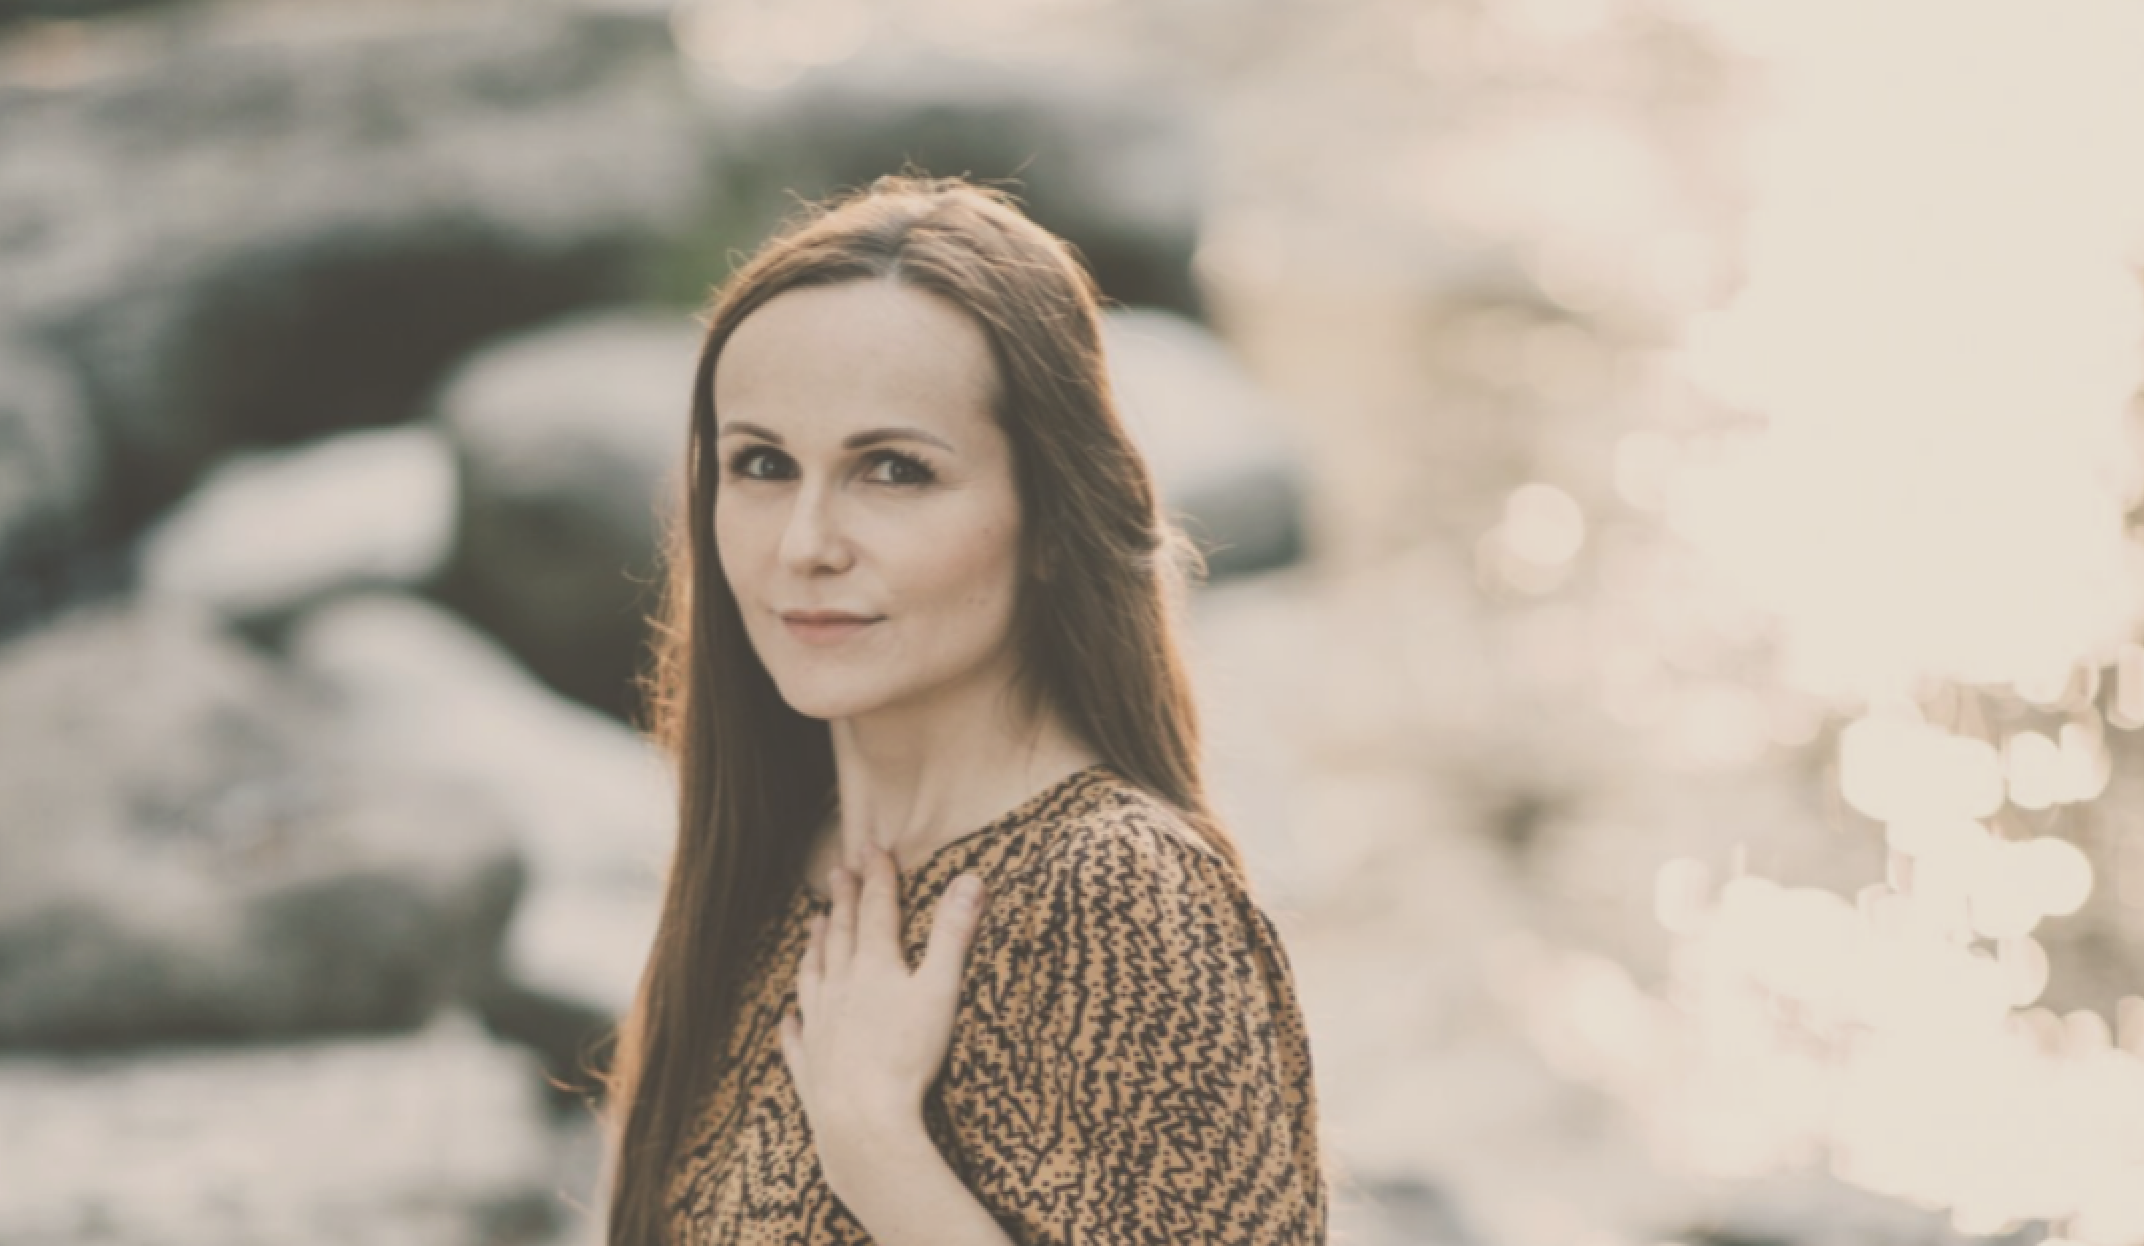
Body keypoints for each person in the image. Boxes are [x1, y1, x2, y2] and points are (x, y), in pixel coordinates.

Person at [603, 175, 1327, 1245]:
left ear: (1047, 520)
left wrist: (878, 1153)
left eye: (891, 470)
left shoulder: (1116, 894)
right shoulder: (770, 865)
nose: (804, 543)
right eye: (760, 464)